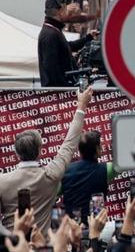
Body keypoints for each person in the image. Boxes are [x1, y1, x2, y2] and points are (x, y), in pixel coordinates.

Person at [0, 87, 93, 231]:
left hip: (11, 249)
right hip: (43, 249)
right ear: (40, 151)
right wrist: (81, 105)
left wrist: (10, 239)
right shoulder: (51, 175)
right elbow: (69, 144)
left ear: (17, 154)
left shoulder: (2, 181)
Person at [38, 0, 98, 87]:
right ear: (60, 11)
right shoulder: (50, 34)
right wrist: (65, 87)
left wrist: (88, 37)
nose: (68, 14)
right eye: (66, 10)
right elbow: (51, 68)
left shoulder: (54, 30)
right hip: (59, 93)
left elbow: (68, 47)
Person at [61, 130, 116, 224]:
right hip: (95, 226)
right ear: (97, 149)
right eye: (100, 146)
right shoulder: (106, 169)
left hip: (72, 228)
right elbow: (124, 162)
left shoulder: (65, 171)